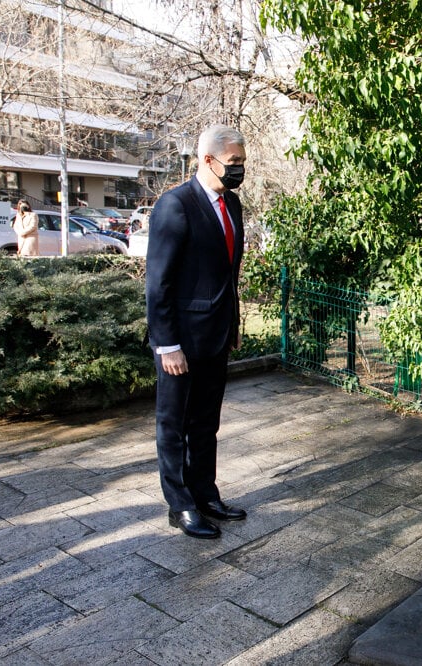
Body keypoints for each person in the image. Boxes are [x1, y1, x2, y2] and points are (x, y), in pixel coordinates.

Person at [145, 124, 247, 539]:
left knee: (206, 422)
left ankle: (205, 494)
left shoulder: (233, 205)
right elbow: (159, 283)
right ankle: (181, 505)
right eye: (234, 162)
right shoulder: (176, 205)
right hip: (180, 342)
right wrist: (166, 344)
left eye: (242, 161)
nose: (240, 169)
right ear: (209, 160)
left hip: (216, 337)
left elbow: (228, 275)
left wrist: (233, 324)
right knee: (174, 424)